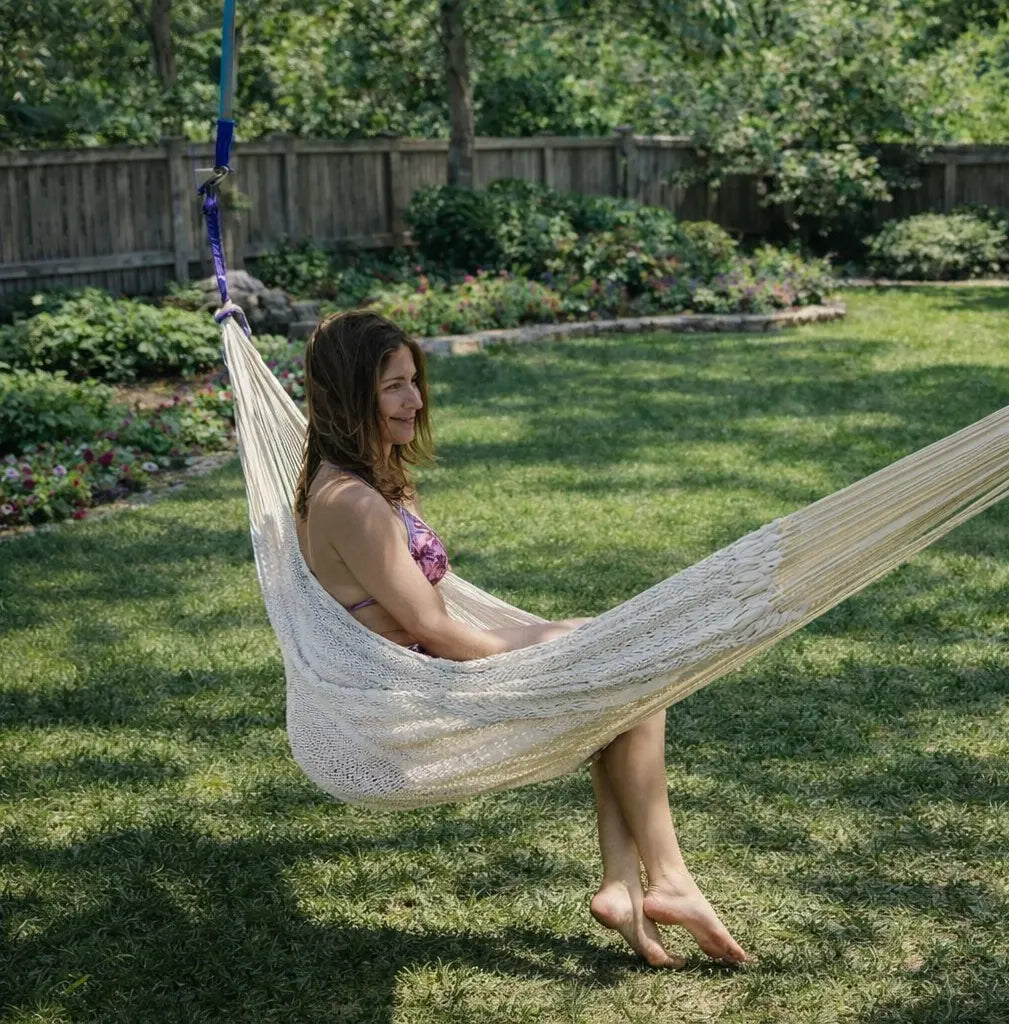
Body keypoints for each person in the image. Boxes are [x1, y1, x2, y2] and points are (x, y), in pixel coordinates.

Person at [293, 310, 748, 967]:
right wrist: (564, 647)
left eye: (414, 381)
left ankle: (625, 885)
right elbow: (435, 630)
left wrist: (575, 642)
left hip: (428, 677)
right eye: (394, 385)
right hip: (409, 711)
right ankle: (667, 877)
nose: (415, 401)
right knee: (626, 667)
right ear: (347, 391)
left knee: (618, 674)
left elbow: (432, 623)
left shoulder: (374, 483)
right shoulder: (350, 502)